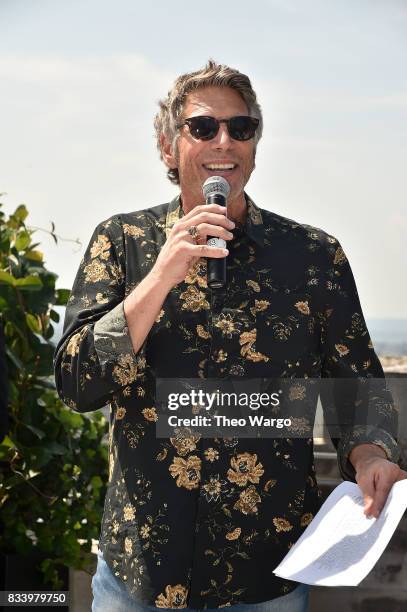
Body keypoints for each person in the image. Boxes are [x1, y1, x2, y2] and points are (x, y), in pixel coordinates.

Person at [53, 60, 406, 611]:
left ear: (254, 145)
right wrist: (164, 273)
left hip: (266, 576)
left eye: (241, 128)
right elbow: (76, 384)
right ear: (170, 147)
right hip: (141, 572)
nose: (224, 140)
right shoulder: (122, 241)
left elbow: (357, 392)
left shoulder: (314, 257)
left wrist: (370, 457)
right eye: (203, 127)